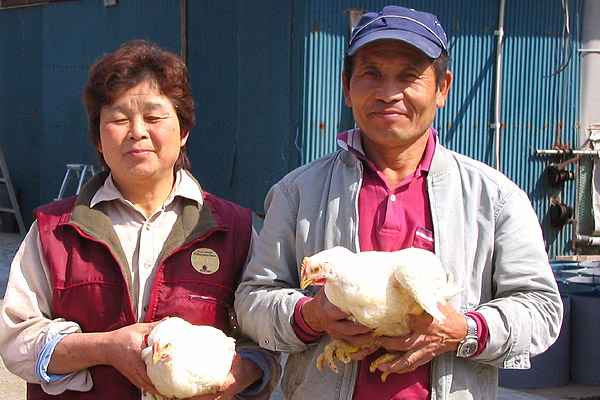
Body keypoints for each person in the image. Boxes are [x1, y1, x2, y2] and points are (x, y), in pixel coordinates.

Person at [234, 5, 563, 400]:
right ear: (346, 86)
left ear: (442, 88)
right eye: (371, 74)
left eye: (409, 76)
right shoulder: (298, 193)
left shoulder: (494, 199)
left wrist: (463, 329)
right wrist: (311, 315)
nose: (388, 93)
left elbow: (541, 309)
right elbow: (253, 300)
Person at [0, 40, 279, 400]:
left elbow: (267, 338)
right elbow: (16, 339)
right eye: (118, 119)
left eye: (153, 116)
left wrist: (241, 373)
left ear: (184, 131)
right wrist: (105, 347)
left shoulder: (234, 230)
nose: (137, 132)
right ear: (98, 138)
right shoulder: (55, 229)